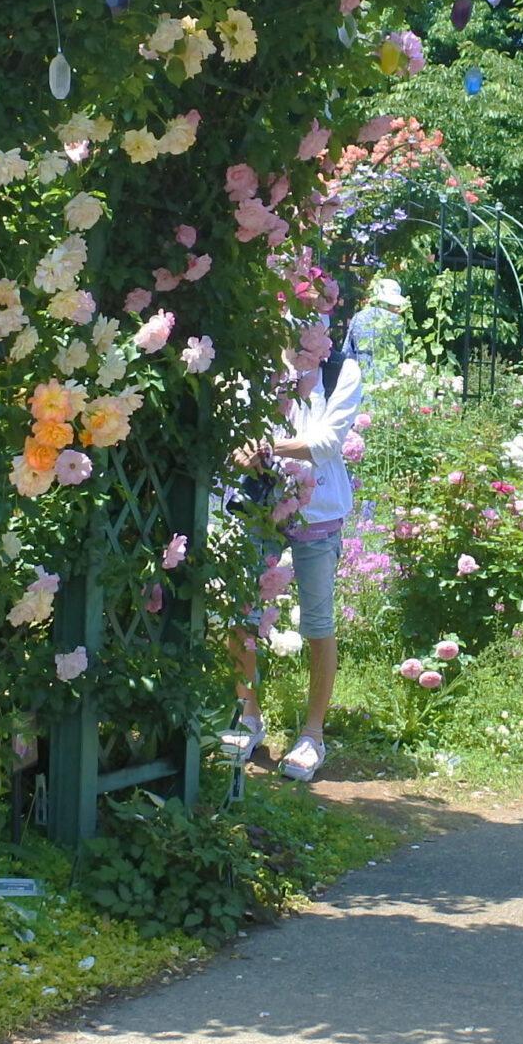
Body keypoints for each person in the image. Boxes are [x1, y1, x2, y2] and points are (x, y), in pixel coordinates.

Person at [230, 332, 364, 782]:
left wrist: (266, 449)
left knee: (318, 622)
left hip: (318, 510)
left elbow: (326, 443)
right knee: (242, 611)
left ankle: (312, 734)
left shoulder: (341, 370)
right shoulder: (256, 360)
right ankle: (247, 715)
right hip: (259, 503)